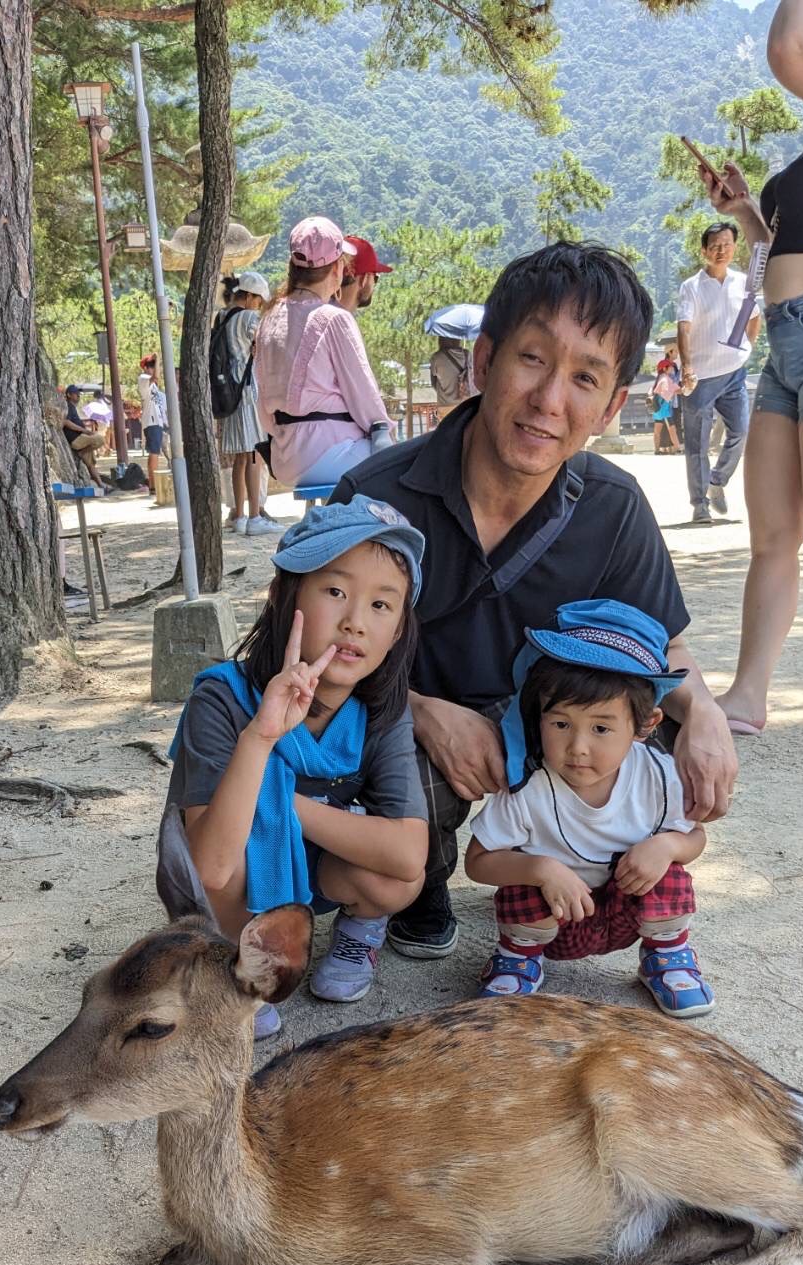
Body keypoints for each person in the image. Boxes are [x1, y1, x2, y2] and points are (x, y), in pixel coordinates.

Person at [333, 241, 737, 960]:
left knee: (669, 741)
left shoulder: (614, 506)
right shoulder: (376, 497)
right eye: (532, 359)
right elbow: (311, 649)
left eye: (585, 377)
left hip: (555, 720)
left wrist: (704, 712)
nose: (551, 400)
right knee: (403, 773)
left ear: (613, 405)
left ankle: (623, 904)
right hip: (410, 713)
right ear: (484, 361)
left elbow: (661, 646)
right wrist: (423, 714)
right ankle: (418, 887)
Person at [164, 496, 429, 1040]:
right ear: (285, 596)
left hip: (316, 871)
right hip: (222, 883)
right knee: (234, 857)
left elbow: (407, 854)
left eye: (382, 605)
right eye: (335, 591)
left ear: (400, 629)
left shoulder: (381, 710)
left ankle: (359, 929)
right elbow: (210, 868)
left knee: (396, 879)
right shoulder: (223, 698)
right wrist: (260, 738)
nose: (355, 622)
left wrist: (282, 801)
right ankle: (240, 962)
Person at [697, 0, 803, 735]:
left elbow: (791, 50)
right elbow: (783, 248)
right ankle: (749, 695)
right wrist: (747, 216)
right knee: (772, 536)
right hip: (789, 342)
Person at [464, 600, 712, 1017]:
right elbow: (477, 861)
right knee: (523, 882)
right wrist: (539, 870)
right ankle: (518, 957)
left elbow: (695, 834)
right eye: (560, 724)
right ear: (537, 715)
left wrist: (669, 846)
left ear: (645, 725)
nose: (578, 747)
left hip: (628, 910)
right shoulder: (529, 786)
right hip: (555, 920)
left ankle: (666, 956)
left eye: (601, 728)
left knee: (669, 873)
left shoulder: (660, 777)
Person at [253, 217, 394, 489]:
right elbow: (365, 399)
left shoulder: (269, 317)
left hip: (284, 457)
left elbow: (261, 400)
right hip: (330, 454)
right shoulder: (333, 318)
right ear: (337, 268)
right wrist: (383, 429)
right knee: (412, 459)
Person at [676, 223, 760, 524]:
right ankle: (700, 504)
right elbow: (683, 328)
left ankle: (716, 482)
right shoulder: (692, 287)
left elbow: (754, 318)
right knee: (697, 445)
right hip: (700, 377)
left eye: (727, 244)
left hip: (734, 373)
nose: (721, 250)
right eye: (715, 245)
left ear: (734, 247)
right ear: (704, 251)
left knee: (740, 432)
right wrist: (686, 367)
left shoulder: (743, 283)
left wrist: (745, 347)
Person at [215, 271, 281, 538]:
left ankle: (238, 514)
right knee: (254, 454)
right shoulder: (250, 318)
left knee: (240, 459)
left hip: (229, 392)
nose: (259, 305)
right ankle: (255, 516)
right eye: (259, 300)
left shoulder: (223, 318)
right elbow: (269, 346)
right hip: (247, 391)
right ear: (251, 296)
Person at [61, 385, 106, 483]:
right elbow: (66, 422)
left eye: (78, 394)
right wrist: (84, 431)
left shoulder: (73, 407)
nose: (78, 395)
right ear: (69, 395)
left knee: (91, 464)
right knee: (100, 439)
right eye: (75, 394)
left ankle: (101, 485)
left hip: (82, 439)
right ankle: (81, 452)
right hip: (76, 439)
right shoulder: (68, 406)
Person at [337, 235, 392, 313]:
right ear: (364, 279)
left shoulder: (316, 310)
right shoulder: (343, 323)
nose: (374, 285)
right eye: (375, 278)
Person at [138, 353, 168, 493]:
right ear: (145, 367)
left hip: (157, 421)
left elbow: (157, 377)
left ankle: (153, 484)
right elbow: (155, 377)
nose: (153, 368)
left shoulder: (154, 385)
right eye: (150, 365)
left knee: (156, 452)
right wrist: (158, 360)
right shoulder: (143, 378)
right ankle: (153, 485)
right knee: (154, 453)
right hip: (151, 421)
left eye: (153, 365)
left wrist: (158, 363)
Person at [429, 336, 474, 420]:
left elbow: (433, 383)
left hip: (445, 405)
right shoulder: (467, 355)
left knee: (447, 432)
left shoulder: (436, 357)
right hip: (466, 404)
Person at [650, 357, 681, 453]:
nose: (672, 369)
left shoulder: (660, 378)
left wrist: (679, 390)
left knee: (657, 430)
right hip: (664, 409)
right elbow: (667, 392)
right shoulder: (665, 379)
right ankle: (677, 448)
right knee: (672, 429)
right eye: (670, 367)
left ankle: (656, 450)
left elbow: (675, 390)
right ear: (664, 368)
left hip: (657, 408)